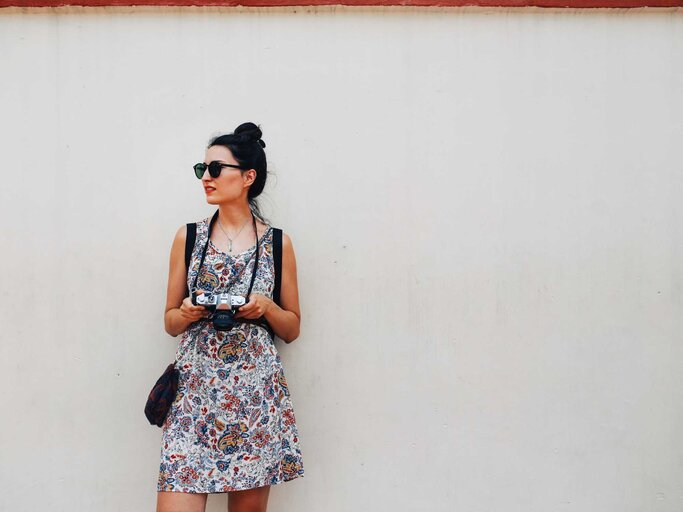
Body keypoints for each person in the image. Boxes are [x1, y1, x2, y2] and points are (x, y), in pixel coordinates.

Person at [156, 122, 305, 512]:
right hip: (193, 399)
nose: (206, 178)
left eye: (216, 169)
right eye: (201, 170)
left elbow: (292, 328)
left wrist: (267, 308)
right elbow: (169, 321)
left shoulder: (278, 244)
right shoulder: (187, 237)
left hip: (254, 398)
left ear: (247, 177)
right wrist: (186, 312)